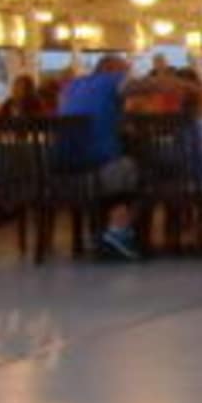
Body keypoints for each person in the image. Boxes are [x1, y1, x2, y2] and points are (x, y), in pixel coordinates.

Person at [56, 56, 142, 260]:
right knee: (136, 171)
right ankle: (118, 231)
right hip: (92, 172)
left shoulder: (74, 86)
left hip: (62, 175)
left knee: (119, 167)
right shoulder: (111, 81)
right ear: (110, 69)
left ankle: (110, 231)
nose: (128, 76)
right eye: (125, 71)